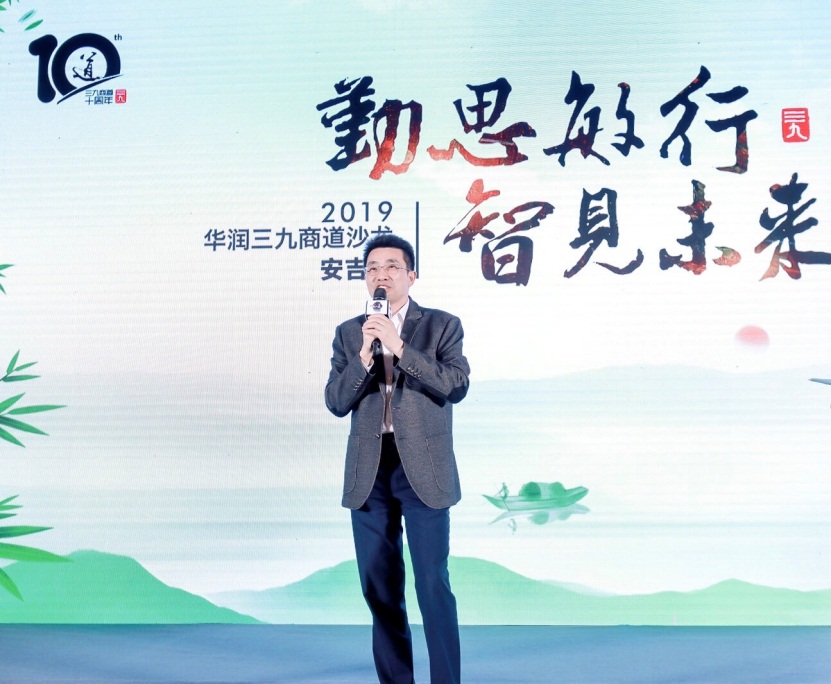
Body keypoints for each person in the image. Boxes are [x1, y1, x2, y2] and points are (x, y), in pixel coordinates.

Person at [325, 233, 470, 684]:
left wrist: (400, 346)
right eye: (372, 268)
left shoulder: (441, 325)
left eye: (391, 267)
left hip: (422, 467)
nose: (380, 275)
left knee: (431, 584)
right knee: (379, 586)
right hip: (370, 470)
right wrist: (365, 357)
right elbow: (336, 401)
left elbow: (455, 385)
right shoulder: (350, 333)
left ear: (412, 275)